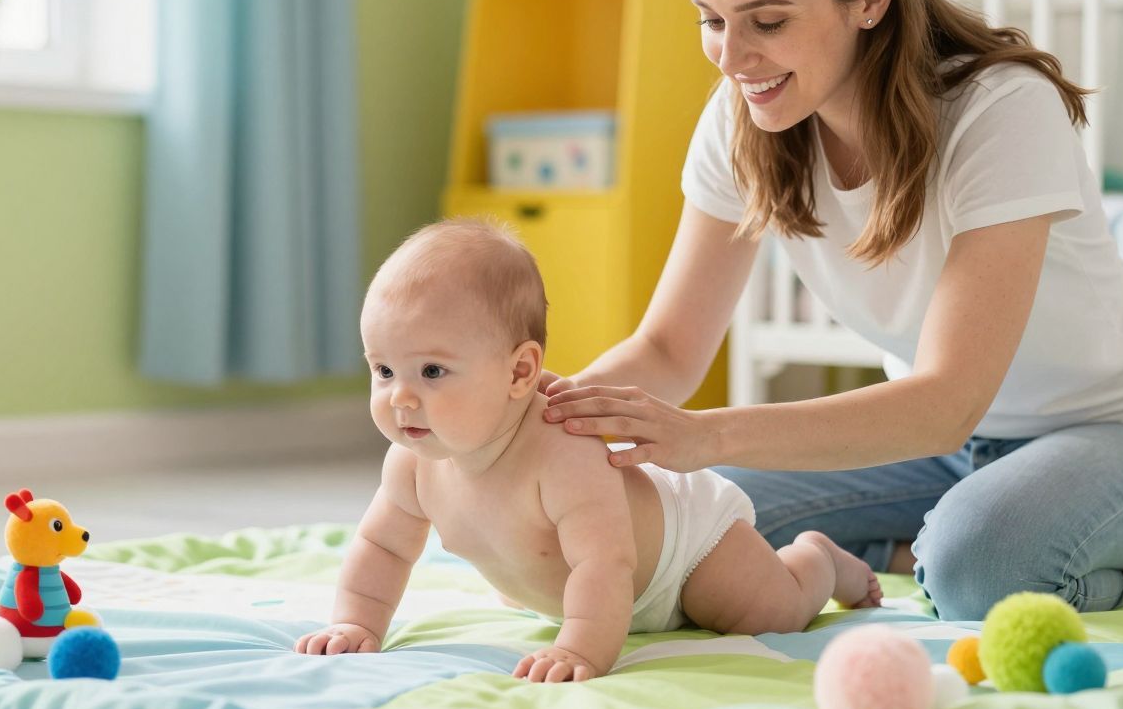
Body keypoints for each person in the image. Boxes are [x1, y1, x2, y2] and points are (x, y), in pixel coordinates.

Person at [539, 0, 1123, 621]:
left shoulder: (1000, 110)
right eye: (711, 20)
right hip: (929, 452)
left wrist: (708, 435)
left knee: (975, 568)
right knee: (687, 528)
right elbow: (669, 349)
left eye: (767, 20)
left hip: (1119, 436)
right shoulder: (741, 119)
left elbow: (946, 400)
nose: (732, 57)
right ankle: (898, 553)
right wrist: (543, 422)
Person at [295, 219, 881, 683]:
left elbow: (607, 565)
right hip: (574, 586)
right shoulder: (413, 464)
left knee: (767, 613)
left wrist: (580, 647)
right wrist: (356, 621)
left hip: (681, 556)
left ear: (520, 371)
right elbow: (382, 547)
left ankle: (819, 560)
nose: (400, 396)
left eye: (431, 371)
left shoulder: (562, 453)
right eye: (383, 369)